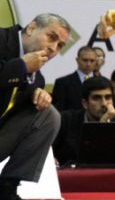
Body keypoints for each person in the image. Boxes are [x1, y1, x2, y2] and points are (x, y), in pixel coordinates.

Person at [0, 14, 71, 200]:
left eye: (60, 46)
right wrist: (21, 66)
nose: (53, 48)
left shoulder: (36, 77)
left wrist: (38, 96)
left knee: (47, 114)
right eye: (52, 37)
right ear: (31, 28)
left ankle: (7, 186)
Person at [53, 76, 115, 165]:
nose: (104, 104)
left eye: (108, 97)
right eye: (97, 98)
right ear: (85, 103)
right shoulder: (65, 120)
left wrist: (103, 125)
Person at [52, 46, 97, 111]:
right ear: (77, 60)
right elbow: (58, 111)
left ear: (96, 62)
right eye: (85, 60)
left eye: (92, 61)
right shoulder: (62, 83)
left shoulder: (103, 83)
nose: (88, 64)